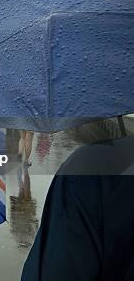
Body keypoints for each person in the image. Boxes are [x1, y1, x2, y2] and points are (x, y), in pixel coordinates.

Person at [21, 118, 134, 280]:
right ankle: (26, 160)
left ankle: (23, 160)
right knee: (28, 138)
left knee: (24, 138)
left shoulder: (91, 172)